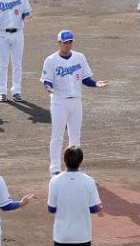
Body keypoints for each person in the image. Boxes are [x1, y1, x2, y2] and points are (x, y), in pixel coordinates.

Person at [41, 30, 109, 176]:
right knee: (57, 136)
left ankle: (74, 166)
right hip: (59, 102)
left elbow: (85, 79)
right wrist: (49, 88)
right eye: (65, 42)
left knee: (75, 136)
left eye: (70, 42)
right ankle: (55, 169)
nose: (68, 45)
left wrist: (96, 84)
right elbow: (47, 81)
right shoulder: (51, 60)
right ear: (59, 43)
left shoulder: (80, 57)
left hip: (76, 102)